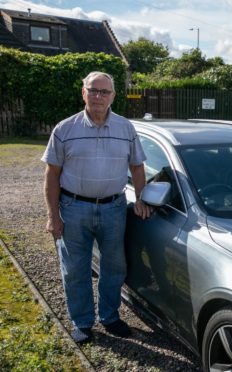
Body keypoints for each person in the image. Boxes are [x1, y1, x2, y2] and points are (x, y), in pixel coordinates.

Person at [42, 71, 151, 344]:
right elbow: (52, 175)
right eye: (93, 90)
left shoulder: (125, 128)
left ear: (113, 95)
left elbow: (137, 167)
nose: (99, 96)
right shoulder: (65, 129)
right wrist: (53, 216)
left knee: (114, 266)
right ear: (83, 93)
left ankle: (110, 317)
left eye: (104, 92)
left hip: (114, 208)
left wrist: (141, 198)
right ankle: (82, 322)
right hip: (73, 207)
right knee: (75, 268)